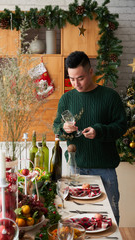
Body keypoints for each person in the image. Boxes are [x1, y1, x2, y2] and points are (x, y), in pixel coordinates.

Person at [53, 51, 127, 225]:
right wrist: (64, 128)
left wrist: (99, 131)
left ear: (90, 72)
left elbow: (121, 127)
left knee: (109, 217)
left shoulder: (110, 97)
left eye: (80, 78)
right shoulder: (66, 98)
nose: (76, 84)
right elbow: (56, 127)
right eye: (71, 79)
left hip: (104, 169)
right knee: (78, 218)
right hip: (75, 168)